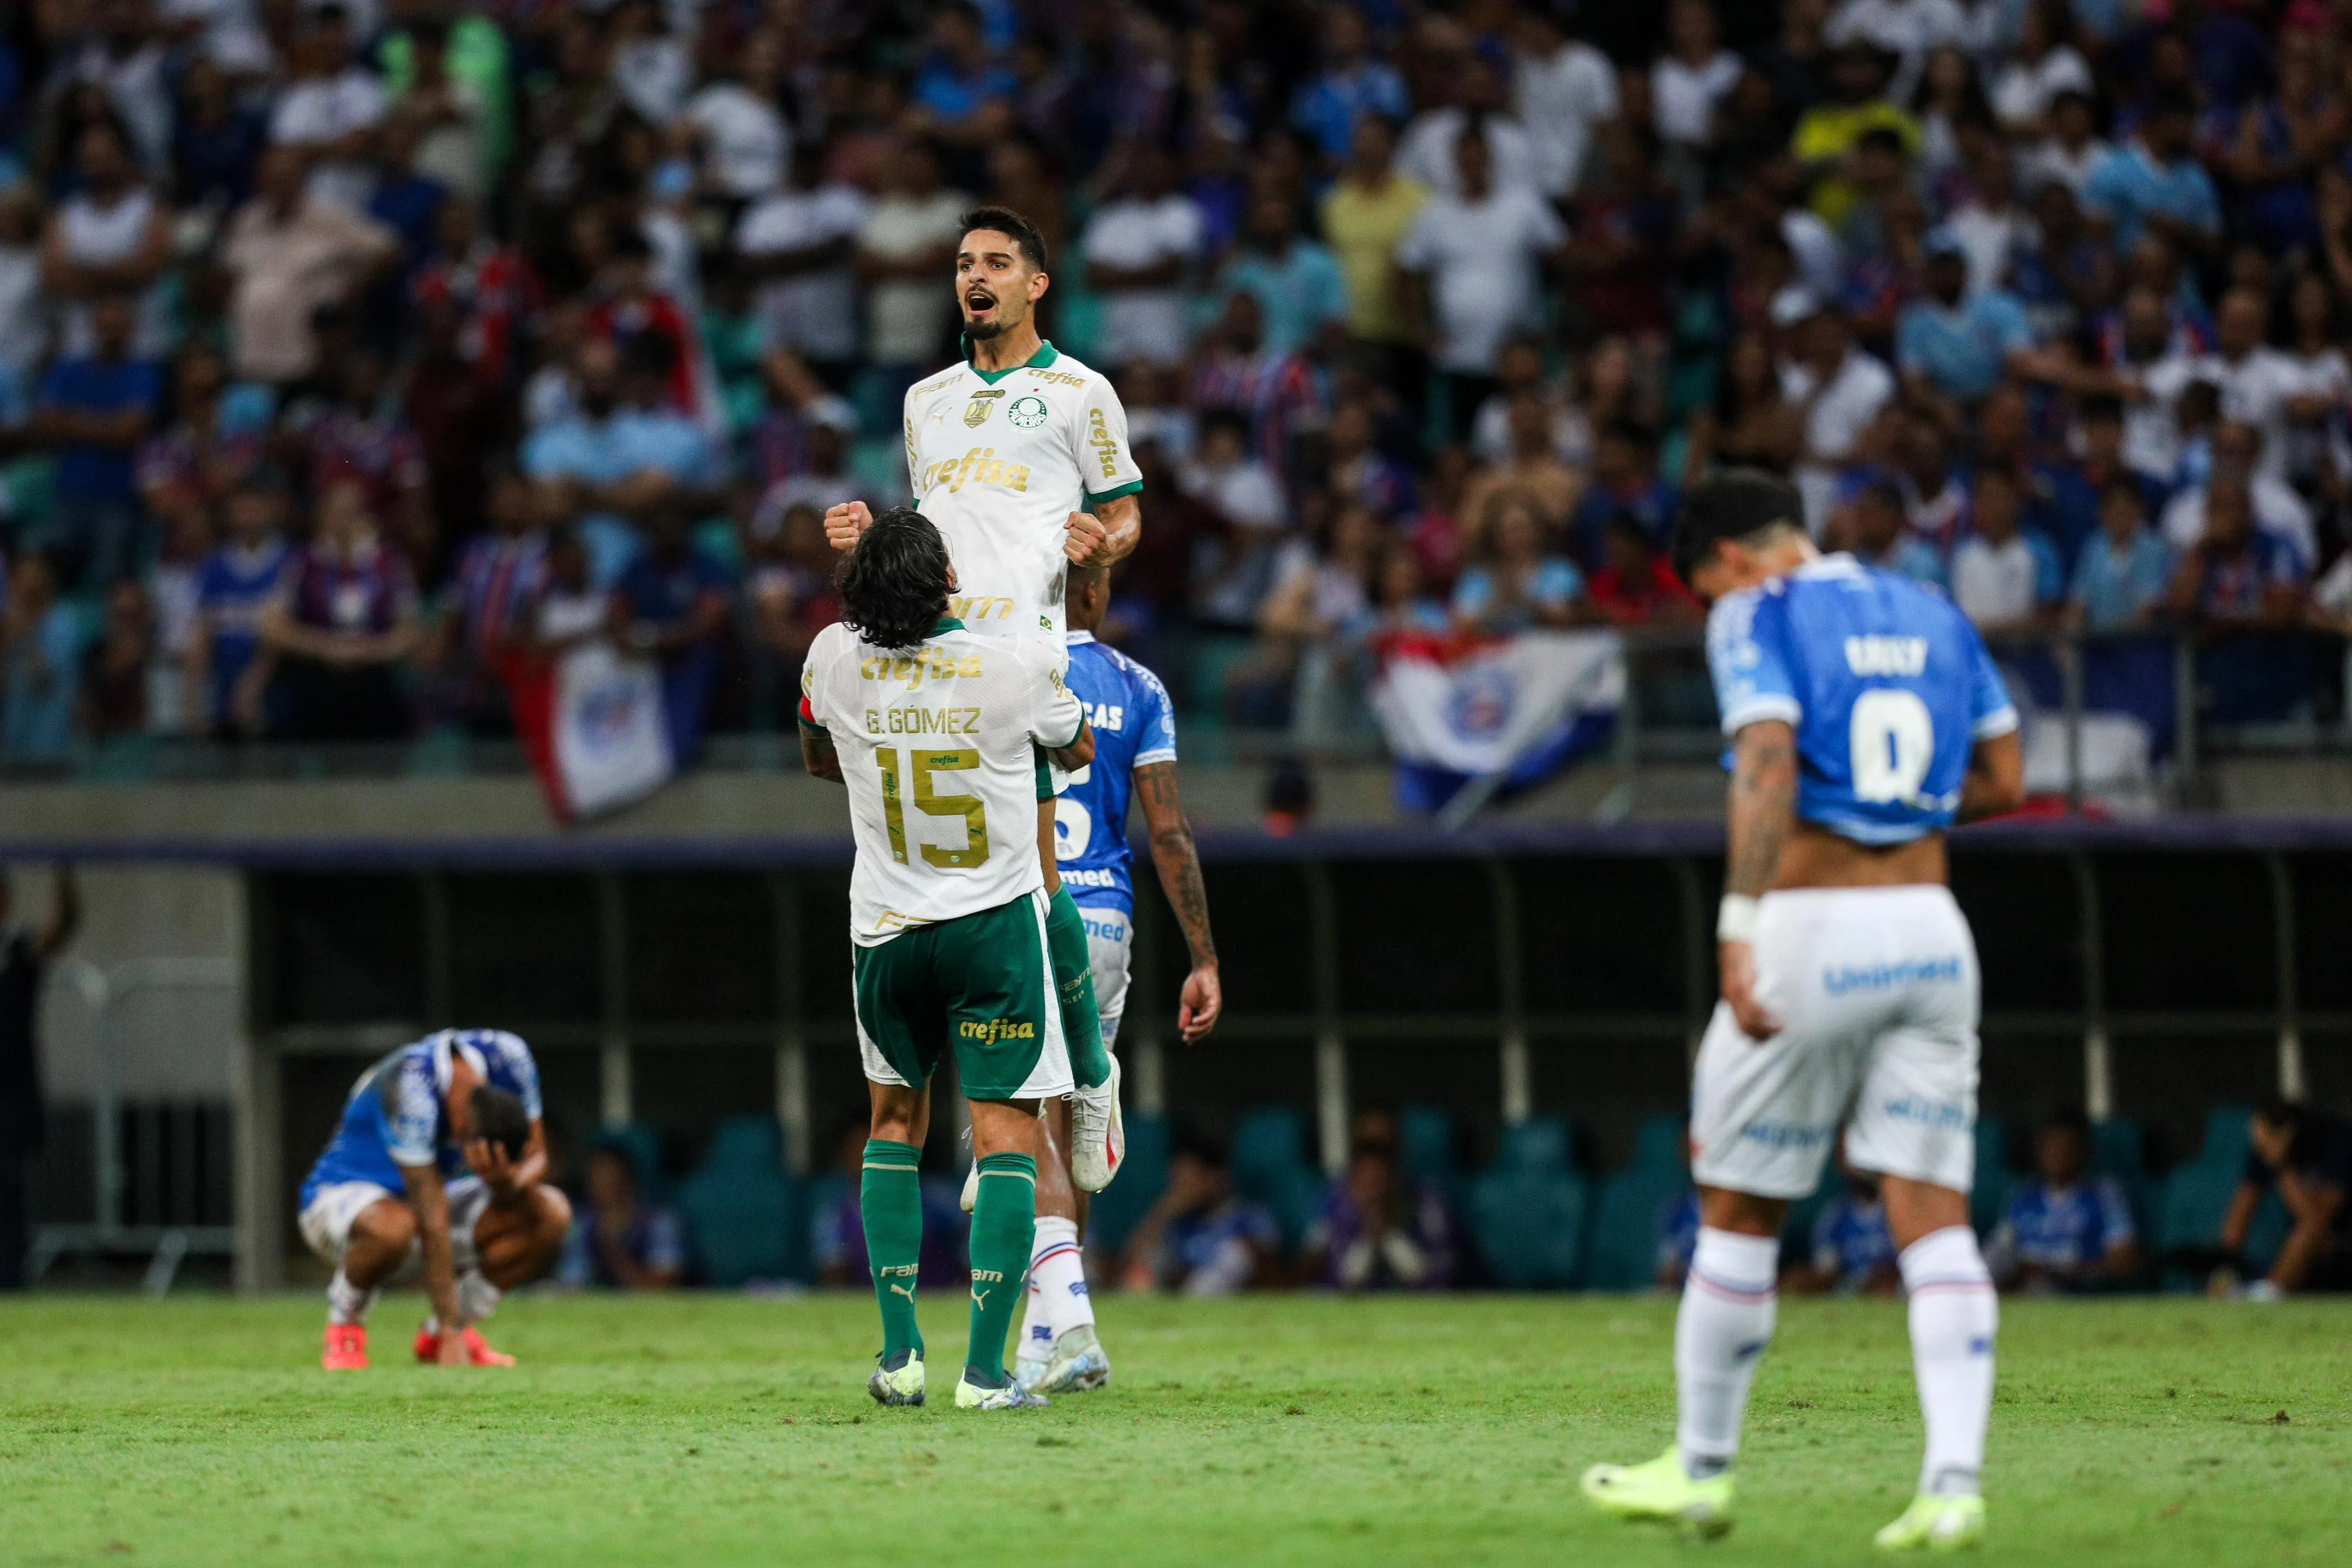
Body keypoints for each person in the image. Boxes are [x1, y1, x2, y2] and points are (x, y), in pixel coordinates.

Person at [1584, 469, 2024, 1549]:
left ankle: (1701, 1468)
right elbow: (2008, 775)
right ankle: (1955, 1484)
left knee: (1736, 1207)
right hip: (1931, 926)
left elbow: (1769, 759)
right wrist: (1902, 807)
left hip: (1813, 927)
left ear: (1730, 559)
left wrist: (1737, 922)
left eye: (1701, 589)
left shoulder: (1755, 611)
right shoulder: (1935, 608)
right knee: (1934, 1214)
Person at [822, 206, 1142, 1205]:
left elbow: (1128, 505)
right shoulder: (925, 401)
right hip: (934, 660)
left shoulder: (1082, 393)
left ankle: (1087, 1081)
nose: (977, 276)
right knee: (947, 901)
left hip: (1023, 667)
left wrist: (1105, 538)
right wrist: (872, 537)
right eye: (965, 263)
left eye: (998, 262)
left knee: (1039, 882)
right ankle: (1035, 1098)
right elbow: (934, 529)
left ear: (1037, 283)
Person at [797, 507, 1097, 1411]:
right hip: (990, 927)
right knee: (1005, 1135)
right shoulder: (1013, 668)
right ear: (947, 583)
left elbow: (818, 759)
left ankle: (899, 1360)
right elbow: (1076, 745)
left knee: (893, 1124)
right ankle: (986, 1373)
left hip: (886, 929)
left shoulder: (828, 658)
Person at [1002, 560, 1222, 1394]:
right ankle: (1049, 1336)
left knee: (1021, 1127)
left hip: (1026, 912)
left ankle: (1067, 1332)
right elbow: (1169, 831)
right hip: (1107, 926)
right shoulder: (1139, 685)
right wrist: (1203, 957)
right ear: (1097, 592)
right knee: (1063, 1124)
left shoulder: (1006, 665)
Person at [297, 1028, 572, 1370]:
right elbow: (431, 1214)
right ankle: (346, 1325)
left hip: (429, 1202)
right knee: (395, 1226)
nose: (466, 1152)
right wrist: (451, 1329)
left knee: (551, 1212)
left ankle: (439, 1334)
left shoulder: (509, 1056)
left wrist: (507, 1182)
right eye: (467, 1141)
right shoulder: (411, 1085)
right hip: (342, 1201)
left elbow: (538, 1154)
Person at [0, 867, 79, 1291]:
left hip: (12, 1093)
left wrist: (64, 877)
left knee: (8, 1187)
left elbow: (62, 928)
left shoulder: (19, 950)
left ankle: (10, 1277)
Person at [1988, 1108, 2139, 1292]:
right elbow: (1998, 1250)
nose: (2058, 1156)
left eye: (2066, 1148)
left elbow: (2124, 1261)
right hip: (2022, 1286)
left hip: (2073, 1290)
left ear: (2083, 1151)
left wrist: (2056, 1272)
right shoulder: (2023, 1196)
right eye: (2051, 1148)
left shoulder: (2104, 1194)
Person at [2216, 1098, 2352, 1297]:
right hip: (2304, 1252)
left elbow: (2318, 1220)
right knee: (2224, 1275)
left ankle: (2268, 1294)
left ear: (2289, 1132)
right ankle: (2258, 1291)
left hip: (2341, 1246)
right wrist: (2225, 1267)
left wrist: (2281, 1164)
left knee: (2307, 1233)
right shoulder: (2263, 1148)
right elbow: (2240, 1213)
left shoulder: (2336, 1143)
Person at [1119, 1132, 1282, 1294]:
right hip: (1179, 1296)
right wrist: (1163, 1212)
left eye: (1192, 1180)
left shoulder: (1248, 1216)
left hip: (1231, 1302)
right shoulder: (1179, 1222)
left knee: (1234, 1255)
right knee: (1146, 1266)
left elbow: (1272, 1272)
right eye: (1179, 1181)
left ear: (1216, 1177)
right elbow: (1130, 1263)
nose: (1185, 1189)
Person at [561, 1144, 685, 1290]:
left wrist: (612, 1251)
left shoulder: (660, 1222)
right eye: (598, 1179)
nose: (606, 1187)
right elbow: (571, 1284)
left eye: (612, 1178)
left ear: (629, 1180)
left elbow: (663, 1286)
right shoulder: (582, 1224)